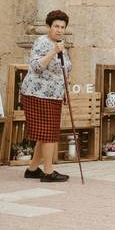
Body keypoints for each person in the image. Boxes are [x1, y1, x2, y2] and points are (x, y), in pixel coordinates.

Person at [19, 10, 72, 183]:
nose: (59, 30)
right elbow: (36, 66)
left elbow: (64, 69)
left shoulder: (61, 44)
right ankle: (48, 172)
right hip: (38, 93)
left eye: (62, 27)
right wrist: (53, 52)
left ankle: (32, 169)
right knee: (49, 134)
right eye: (56, 26)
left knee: (46, 133)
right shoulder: (41, 42)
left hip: (53, 95)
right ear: (49, 26)